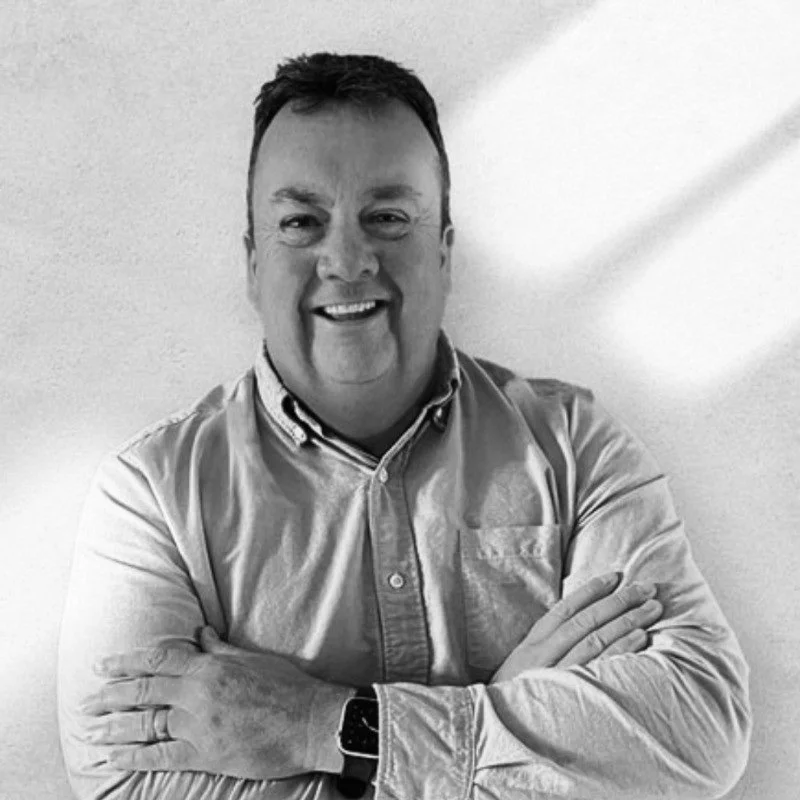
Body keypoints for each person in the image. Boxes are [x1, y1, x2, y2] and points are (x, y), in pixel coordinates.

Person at [57, 52, 751, 800]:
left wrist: (321, 727)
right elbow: (126, 787)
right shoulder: (151, 495)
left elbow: (698, 728)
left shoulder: (576, 446)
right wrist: (512, 725)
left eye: (387, 217)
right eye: (301, 222)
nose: (347, 260)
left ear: (444, 253)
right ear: (253, 265)